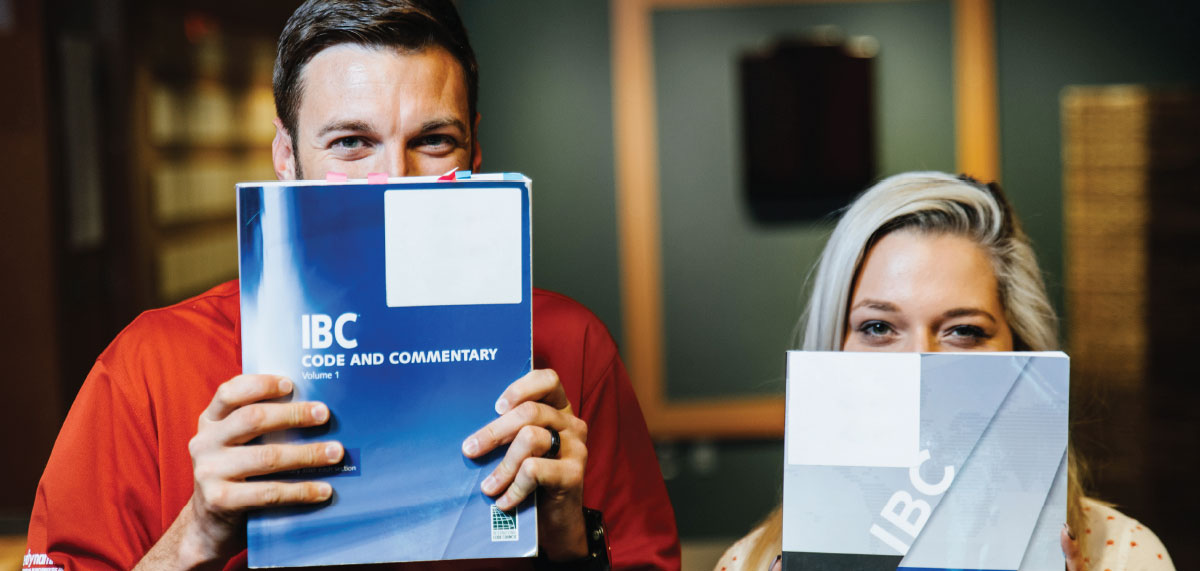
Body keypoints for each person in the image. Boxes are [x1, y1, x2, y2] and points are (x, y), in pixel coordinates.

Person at [23, 1, 680, 570]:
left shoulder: (570, 345)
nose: (395, 178)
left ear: (475, 151)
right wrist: (193, 535)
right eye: (350, 142)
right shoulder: (149, 365)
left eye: (434, 139)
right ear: (286, 156)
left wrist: (573, 539)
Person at [713, 172, 1174, 571]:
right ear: (832, 348)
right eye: (877, 327)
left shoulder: (1124, 556)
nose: (921, 363)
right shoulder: (748, 563)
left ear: (1023, 349)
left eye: (964, 331)